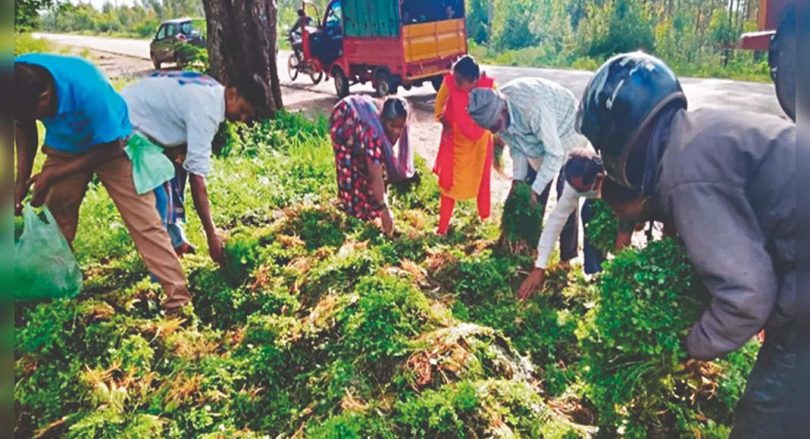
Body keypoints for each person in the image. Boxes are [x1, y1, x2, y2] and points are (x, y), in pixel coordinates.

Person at [578, 51, 801, 437]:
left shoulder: (685, 176)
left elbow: (747, 297)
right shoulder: (695, 135)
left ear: (622, 142)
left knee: (764, 423)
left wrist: (686, 346)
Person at [13, 53, 191, 313]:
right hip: (65, 145)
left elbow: (111, 147)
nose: (35, 119)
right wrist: (20, 182)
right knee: (54, 221)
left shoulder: (89, 88)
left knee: (144, 221)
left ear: (45, 97)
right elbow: (23, 126)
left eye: (36, 113)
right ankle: (51, 294)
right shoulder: (15, 79)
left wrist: (54, 175)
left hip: (112, 144)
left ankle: (178, 300)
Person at [119, 71, 261, 262]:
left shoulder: (212, 90)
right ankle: (160, 273)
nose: (242, 118)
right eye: (242, 110)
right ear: (232, 94)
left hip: (136, 111)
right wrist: (212, 235)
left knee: (173, 172)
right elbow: (197, 179)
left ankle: (177, 242)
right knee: (157, 199)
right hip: (128, 123)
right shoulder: (206, 111)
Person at [468, 77, 588, 266]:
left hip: (567, 130)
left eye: (495, 126)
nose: (494, 131)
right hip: (537, 141)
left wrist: (535, 188)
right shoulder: (499, 119)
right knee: (530, 197)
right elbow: (518, 148)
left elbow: (555, 154)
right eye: (490, 129)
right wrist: (518, 181)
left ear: (504, 110)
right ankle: (529, 247)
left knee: (565, 194)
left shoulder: (532, 108)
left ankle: (567, 257)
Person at [517, 149, 607, 299]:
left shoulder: (614, 176)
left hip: (613, 193)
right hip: (597, 191)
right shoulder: (573, 188)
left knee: (591, 214)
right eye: (574, 188)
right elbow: (555, 221)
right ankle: (594, 276)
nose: (576, 191)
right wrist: (539, 267)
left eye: (581, 190)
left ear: (598, 180)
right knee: (590, 220)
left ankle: (601, 273)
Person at [329, 95, 413, 235]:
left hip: (357, 120)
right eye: (392, 126)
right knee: (351, 171)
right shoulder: (373, 133)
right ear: (383, 120)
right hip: (344, 120)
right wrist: (384, 208)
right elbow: (375, 174)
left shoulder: (382, 129)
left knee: (368, 168)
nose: (396, 131)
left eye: (400, 127)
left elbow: (379, 167)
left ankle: (370, 210)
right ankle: (351, 211)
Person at [433, 56, 494, 235]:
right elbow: (439, 105)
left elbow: (495, 110)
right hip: (455, 141)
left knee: (482, 180)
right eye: (455, 78)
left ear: (474, 81)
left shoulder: (487, 86)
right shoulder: (450, 82)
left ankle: (484, 222)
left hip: (479, 144)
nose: (456, 82)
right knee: (449, 183)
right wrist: (444, 121)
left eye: (461, 81)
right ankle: (442, 228)